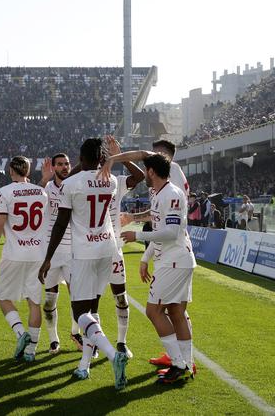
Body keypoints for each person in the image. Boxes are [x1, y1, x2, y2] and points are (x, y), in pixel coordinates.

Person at [39, 138, 128, 389]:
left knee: (81, 314)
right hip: (107, 250)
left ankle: (113, 355)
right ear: (102, 158)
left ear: (80, 158)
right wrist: (114, 158)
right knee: (93, 310)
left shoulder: (70, 184)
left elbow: (60, 224)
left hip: (85, 254)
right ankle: (83, 366)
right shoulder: (109, 180)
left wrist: (47, 258)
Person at [106, 153, 197, 384]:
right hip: (172, 259)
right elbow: (161, 232)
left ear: (152, 172)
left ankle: (178, 364)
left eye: (146, 171)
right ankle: (186, 364)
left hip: (175, 261)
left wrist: (137, 234)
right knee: (175, 312)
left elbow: (172, 233)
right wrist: (146, 258)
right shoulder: (159, 194)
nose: (145, 174)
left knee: (153, 311)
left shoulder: (172, 194)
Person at [0, 156, 48, 363]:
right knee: (34, 302)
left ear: (11, 171)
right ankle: (31, 351)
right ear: (28, 171)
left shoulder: (3, 192)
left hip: (14, 253)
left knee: (3, 297)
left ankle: (21, 333)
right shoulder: (42, 192)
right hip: (38, 255)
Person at [103, 135, 145, 360]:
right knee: (88, 300)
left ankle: (121, 342)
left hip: (113, 249)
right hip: (89, 251)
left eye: (106, 159)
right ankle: (89, 341)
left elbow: (139, 176)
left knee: (121, 297)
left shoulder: (116, 182)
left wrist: (121, 157)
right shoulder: (81, 182)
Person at [38, 153, 80, 354]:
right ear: (53, 167)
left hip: (73, 250)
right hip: (50, 252)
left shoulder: (75, 185)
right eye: (60, 164)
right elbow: (33, 204)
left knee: (77, 296)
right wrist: (44, 179)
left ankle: (76, 331)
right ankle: (53, 339)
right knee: (49, 299)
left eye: (67, 164)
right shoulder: (46, 188)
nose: (65, 167)